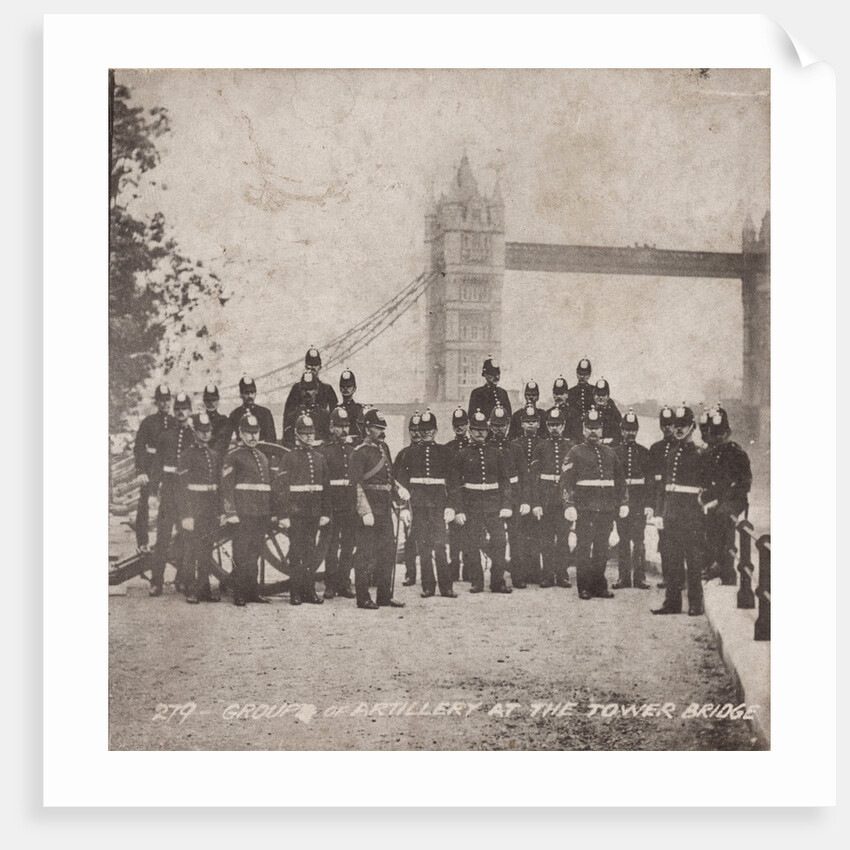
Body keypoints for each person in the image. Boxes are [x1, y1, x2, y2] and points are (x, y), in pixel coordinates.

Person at [561, 406, 628, 600]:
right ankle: (584, 587)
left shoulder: (610, 453)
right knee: (583, 548)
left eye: (597, 427)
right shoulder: (575, 452)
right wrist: (569, 505)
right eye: (589, 427)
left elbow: (620, 482)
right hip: (585, 510)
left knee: (602, 549)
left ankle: (599, 585)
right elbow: (565, 483)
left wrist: (623, 503)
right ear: (583, 429)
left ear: (602, 429)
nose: (593, 431)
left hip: (606, 510)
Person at [651, 404, 709, 616]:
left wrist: (705, 506)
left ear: (692, 427)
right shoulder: (672, 453)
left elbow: (709, 486)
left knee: (693, 562)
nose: (678, 429)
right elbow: (663, 487)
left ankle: (695, 603)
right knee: (672, 560)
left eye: (683, 425)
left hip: (691, 515)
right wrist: (659, 513)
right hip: (672, 514)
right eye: (676, 425)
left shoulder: (701, 453)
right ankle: (672, 602)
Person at [395, 409, 458, 599]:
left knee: (440, 546)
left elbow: (453, 482)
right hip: (419, 506)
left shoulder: (445, 453)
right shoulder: (409, 454)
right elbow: (401, 484)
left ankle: (446, 587)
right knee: (423, 546)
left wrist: (451, 506)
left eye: (430, 429)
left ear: (436, 430)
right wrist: (404, 508)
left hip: (438, 505)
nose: (427, 433)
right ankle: (428, 586)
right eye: (423, 430)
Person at [349, 408, 407, 610]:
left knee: (387, 552)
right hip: (369, 512)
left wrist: (399, 491)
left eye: (383, 428)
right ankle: (363, 598)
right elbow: (355, 485)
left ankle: (384, 596)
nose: (382, 432)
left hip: (384, 509)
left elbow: (388, 479)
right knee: (364, 555)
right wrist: (365, 511)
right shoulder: (359, 453)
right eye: (377, 428)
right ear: (367, 429)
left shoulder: (384, 449)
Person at [273, 414, 331, 606]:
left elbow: (325, 489)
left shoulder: (320, 458)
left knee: (311, 553)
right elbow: (281, 489)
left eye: (311, 433)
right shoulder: (289, 458)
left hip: (314, 513)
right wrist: (284, 514)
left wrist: (325, 513)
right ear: (297, 435)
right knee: (296, 553)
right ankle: (295, 592)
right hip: (296, 514)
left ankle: (309, 591)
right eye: (304, 434)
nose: (308, 437)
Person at [453, 409, 512, 594]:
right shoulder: (462, 454)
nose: (480, 433)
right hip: (472, 505)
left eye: (483, 430)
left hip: (494, 505)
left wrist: (506, 505)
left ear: (488, 432)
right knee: (472, 544)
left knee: (500, 542)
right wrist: (459, 510)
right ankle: (477, 581)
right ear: (470, 430)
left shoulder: (496, 453)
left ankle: (497, 581)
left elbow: (505, 482)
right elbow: (455, 485)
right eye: (476, 430)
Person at [221, 413, 274, 606]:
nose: (253, 437)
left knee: (256, 553)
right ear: (240, 434)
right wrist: (231, 512)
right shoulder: (233, 457)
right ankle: (240, 593)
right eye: (248, 433)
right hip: (242, 515)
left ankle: (253, 592)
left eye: (255, 432)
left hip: (260, 514)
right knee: (241, 555)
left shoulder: (261, 457)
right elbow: (226, 487)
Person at [149, 392, 197, 596]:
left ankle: (184, 580)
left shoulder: (194, 436)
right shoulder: (165, 435)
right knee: (162, 539)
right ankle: (156, 581)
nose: (180, 412)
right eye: (177, 409)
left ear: (190, 411)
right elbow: (156, 466)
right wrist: (152, 492)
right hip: (168, 492)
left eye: (184, 409)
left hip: (186, 494)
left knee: (187, 538)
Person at [699, 406, 752, 585]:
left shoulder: (736, 453)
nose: (717, 437)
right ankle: (709, 562)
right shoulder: (710, 454)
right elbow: (708, 482)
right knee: (701, 514)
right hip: (718, 499)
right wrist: (704, 498)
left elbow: (743, 485)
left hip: (735, 500)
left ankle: (725, 568)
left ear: (727, 433)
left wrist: (718, 500)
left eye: (720, 433)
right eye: (713, 433)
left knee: (722, 515)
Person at [178, 412, 223, 603]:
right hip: (194, 508)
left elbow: (219, 487)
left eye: (208, 431)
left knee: (207, 549)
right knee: (191, 550)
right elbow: (180, 489)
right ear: (194, 432)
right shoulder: (187, 455)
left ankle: (204, 588)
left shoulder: (214, 455)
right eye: (201, 431)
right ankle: (191, 589)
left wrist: (220, 512)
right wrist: (186, 515)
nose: (205, 435)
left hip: (210, 509)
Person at [531, 405, 574, 588]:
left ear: (563, 426)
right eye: (551, 425)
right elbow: (534, 478)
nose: (554, 428)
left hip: (563, 501)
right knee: (546, 540)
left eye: (558, 425)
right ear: (547, 426)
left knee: (563, 539)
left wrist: (572, 503)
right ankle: (547, 575)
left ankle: (562, 575)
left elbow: (573, 478)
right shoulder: (540, 447)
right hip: (546, 500)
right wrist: (536, 503)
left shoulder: (571, 447)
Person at [318, 406, 358, 600]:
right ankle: (330, 584)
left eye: (346, 426)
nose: (344, 431)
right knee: (331, 546)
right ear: (332, 427)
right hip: (332, 504)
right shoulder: (324, 452)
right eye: (340, 427)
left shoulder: (353, 451)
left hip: (349, 504)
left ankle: (344, 583)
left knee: (348, 545)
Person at [132, 384, 175, 554]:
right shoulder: (148, 422)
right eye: (161, 401)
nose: (164, 404)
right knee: (144, 503)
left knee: (170, 502)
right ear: (156, 402)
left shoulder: (174, 422)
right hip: (150, 467)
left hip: (169, 468)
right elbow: (139, 448)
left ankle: (168, 540)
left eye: (167, 400)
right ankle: (142, 542)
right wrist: (141, 471)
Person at [612, 410, 652, 589]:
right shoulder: (614, 453)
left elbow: (650, 482)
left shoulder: (644, 452)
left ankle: (640, 577)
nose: (630, 433)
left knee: (639, 539)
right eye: (627, 429)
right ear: (621, 430)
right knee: (623, 538)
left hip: (638, 501)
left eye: (633, 429)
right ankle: (623, 577)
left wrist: (649, 505)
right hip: (622, 502)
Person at [487, 404, 525, 588]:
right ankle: (498, 574)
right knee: (497, 539)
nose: (499, 429)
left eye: (502, 425)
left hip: (515, 495)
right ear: (490, 426)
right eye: (495, 425)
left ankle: (517, 576)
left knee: (516, 537)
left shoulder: (516, 448)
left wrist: (525, 500)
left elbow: (524, 476)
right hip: (495, 497)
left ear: (508, 425)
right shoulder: (486, 448)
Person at [511, 404, 544, 585]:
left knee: (537, 531)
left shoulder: (544, 443)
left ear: (538, 423)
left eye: (533, 421)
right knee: (521, 532)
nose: (530, 425)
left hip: (539, 490)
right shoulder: (515, 444)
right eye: (526, 422)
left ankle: (536, 571)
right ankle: (521, 571)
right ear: (522, 423)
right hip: (522, 491)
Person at [648, 405, 676, 589]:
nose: (667, 428)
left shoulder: (680, 447)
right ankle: (668, 577)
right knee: (663, 539)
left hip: (676, 500)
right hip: (661, 499)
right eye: (664, 424)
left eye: (670, 424)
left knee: (677, 539)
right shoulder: (655, 448)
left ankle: (677, 577)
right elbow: (651, 478)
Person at [444, 407, 472, 582]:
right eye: (456, 425)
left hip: (470, 494)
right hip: (454, 493)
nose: (459, 428)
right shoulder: (448, 448)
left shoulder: (473, 446)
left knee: (470, 533)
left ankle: (469, 569)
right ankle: (453, 568)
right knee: (454, 535)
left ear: (468, 425)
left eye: (462, 424)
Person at [394, 412, 422, 587]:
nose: (417, 433)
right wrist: (402, 507)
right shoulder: (403, 454)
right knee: (410, 539)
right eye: (413, 430)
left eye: (419, 430)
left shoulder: (434, 453)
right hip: (411, 504)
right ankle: (410, 574)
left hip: (429, 503)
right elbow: (397, 483)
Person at [282, 348, 339, 431]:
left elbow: (334, 415)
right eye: (310, 364)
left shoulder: (327, 389)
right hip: (301, 430)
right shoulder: (296, 388)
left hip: (321, 430)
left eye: (315, 364)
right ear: (305, 366)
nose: (312, 367)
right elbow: (287, 415)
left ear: (320, 367)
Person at [282, 371, 330, 447]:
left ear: (316, 390)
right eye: (304, 389)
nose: (307, 392)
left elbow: (329, 439)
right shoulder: (293, 416)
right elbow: (287, 441)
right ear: (300, 390)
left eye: (311, 389)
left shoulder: (324, 415)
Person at [227, 376, 277, 445]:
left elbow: (271, 438)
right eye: (246, 393)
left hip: (262, 451)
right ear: (240, 395)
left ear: (255, 393)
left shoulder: (265, 413)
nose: (250, 396)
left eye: (252, 392)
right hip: (242, 452)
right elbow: (226, 437)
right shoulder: (235, 414)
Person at [467, 356, 512, 421]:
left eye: (498, 374)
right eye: (492, 374)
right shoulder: (477, 393)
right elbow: (472, 417)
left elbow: (509, 417)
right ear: (485, 375)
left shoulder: (503, 393)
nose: (496, 377)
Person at [194, 383, 231, 455]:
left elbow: (223, 444)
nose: (210, 403)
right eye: (207, 400)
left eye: (213, 400)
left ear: (218, 401)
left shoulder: (224, 420)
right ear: (204, 401)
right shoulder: (197, 419)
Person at [567, 358, 594, 437]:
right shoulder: (570, 392)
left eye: (585, 374)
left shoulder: (594, 391)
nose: (582, 376)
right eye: (580, 373)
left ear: (589, 374)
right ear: (576, 373)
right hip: (574, 431)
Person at [592, 378, 623, 446]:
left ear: (608, 396)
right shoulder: (589, 411)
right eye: (598, 395)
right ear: (594, 396)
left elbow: (618, 436)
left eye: (603, 395)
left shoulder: (614, 413)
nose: (600, 397)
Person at [338, 369, 364, 442]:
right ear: (340, 388)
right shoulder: (336, 409)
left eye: (349, 386)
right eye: (343, 386)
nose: (345, 388)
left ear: (354, 388)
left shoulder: (359, 409)